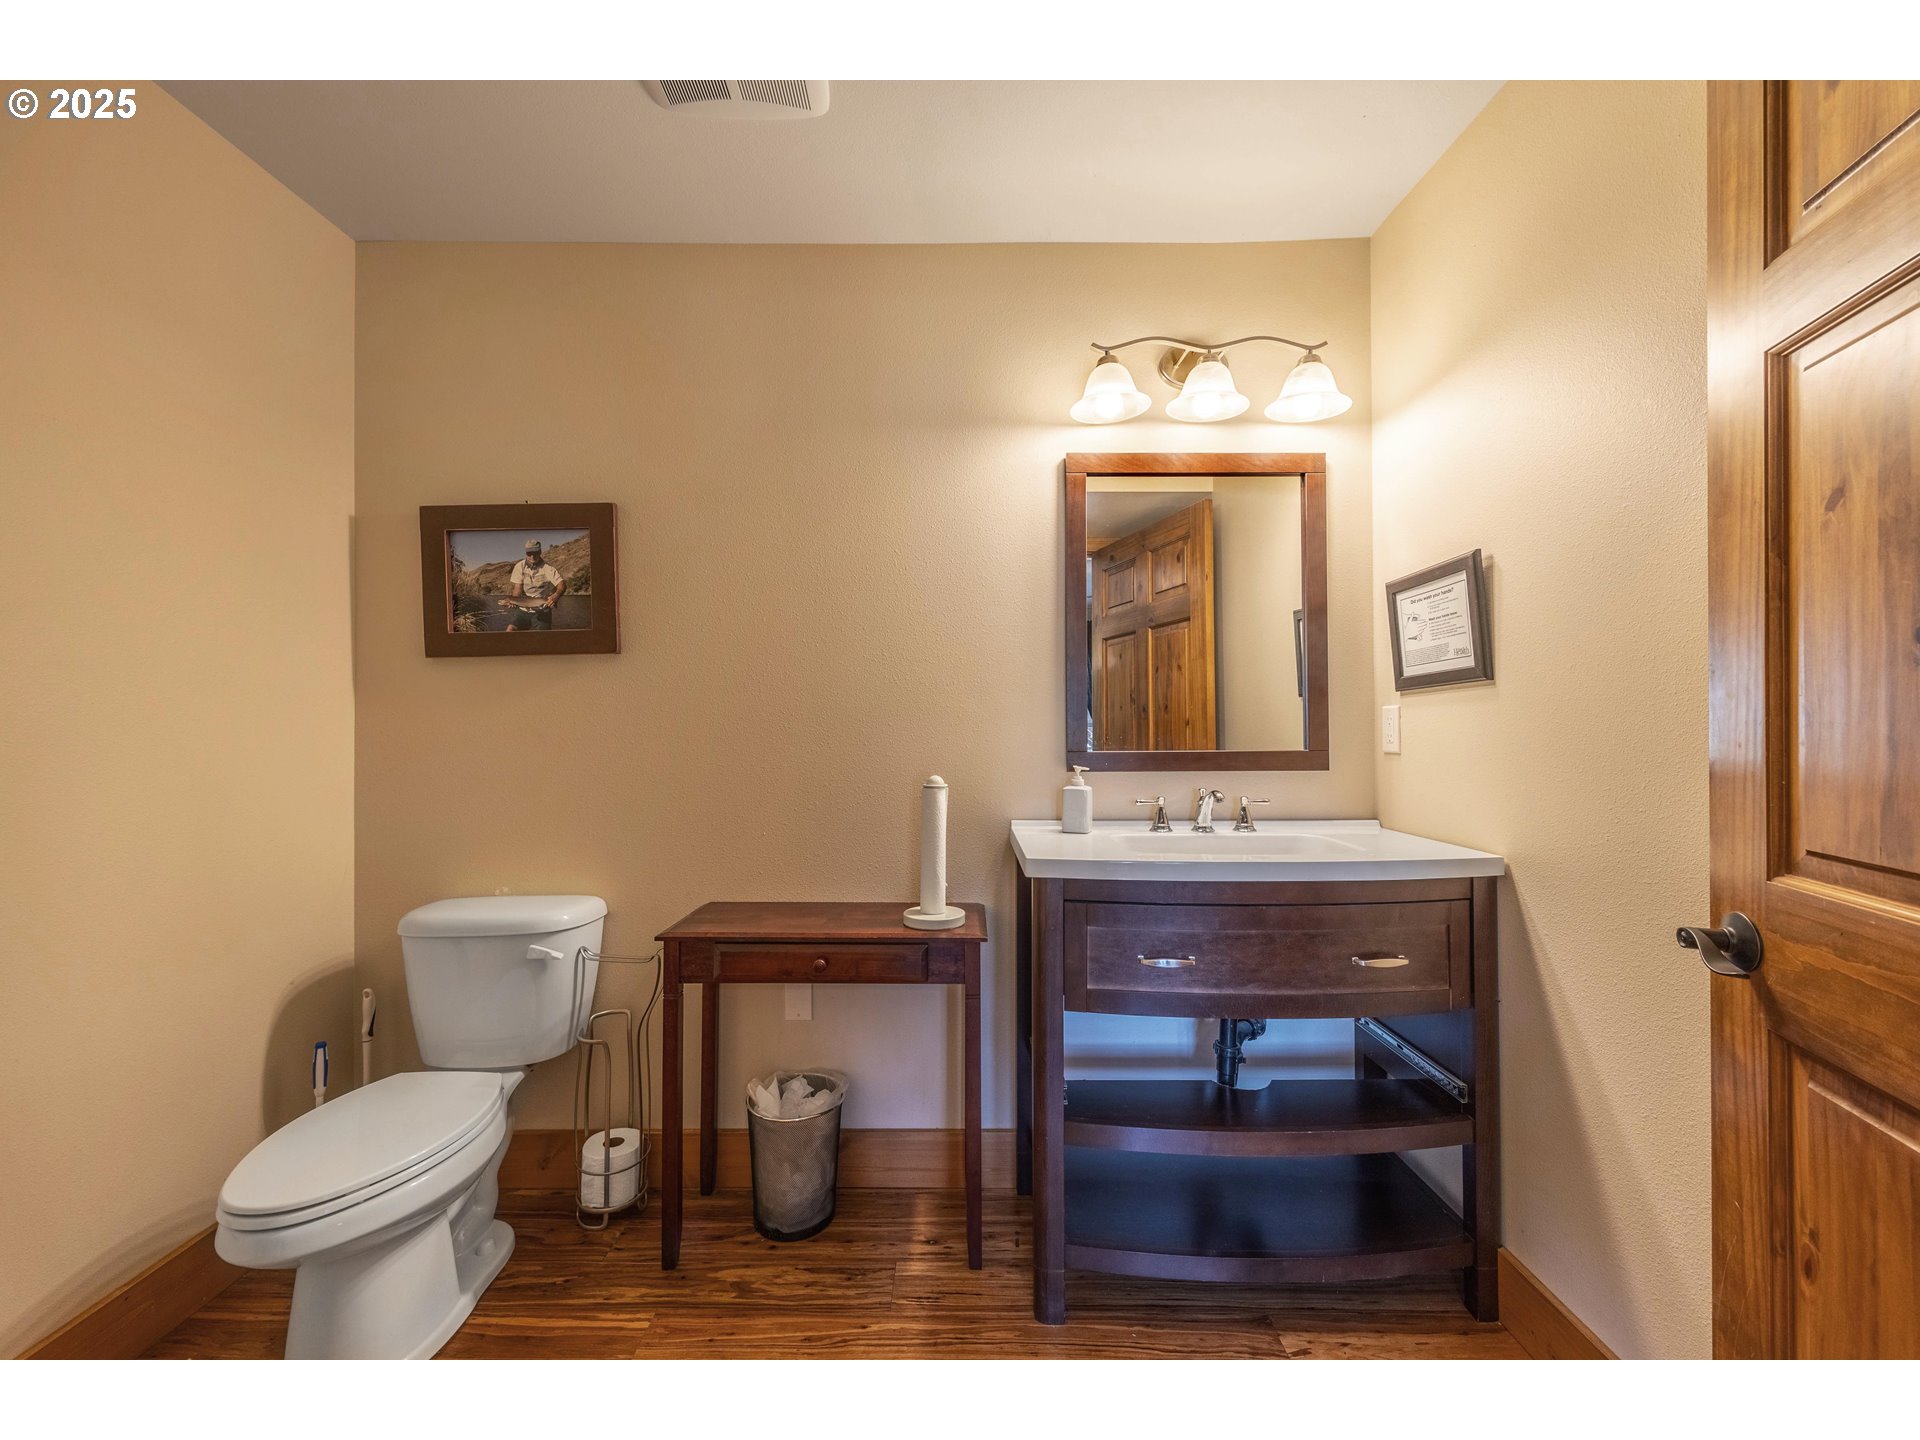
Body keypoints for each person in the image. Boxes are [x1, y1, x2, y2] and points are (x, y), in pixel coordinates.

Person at [505, 539, 566, 630]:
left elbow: (562, 585)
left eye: (535, 552)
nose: (532, 556)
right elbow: (517, 589)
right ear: (526, 553)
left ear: (540, 551)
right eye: (529, 553)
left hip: (542, 611)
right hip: (523, 610)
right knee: (510, 630)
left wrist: (556, 596)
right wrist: (513, 601)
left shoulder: (548, 568)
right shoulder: (519, 566)